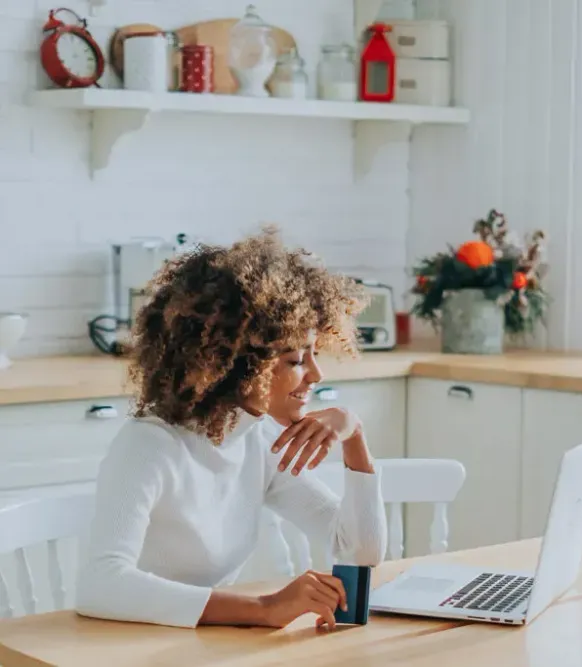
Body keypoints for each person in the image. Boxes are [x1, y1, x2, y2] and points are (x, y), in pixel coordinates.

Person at [75, 230, 388, 630]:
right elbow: (101, 585)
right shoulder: (149, 446)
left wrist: (355, 438)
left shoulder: (257, 440)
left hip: (202, 645)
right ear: (237, 365)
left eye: (313, 354)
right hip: (127, 645)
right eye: (295, 360)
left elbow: (359, 552)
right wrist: (263, 609)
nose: (316, 374)